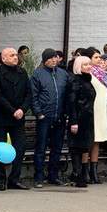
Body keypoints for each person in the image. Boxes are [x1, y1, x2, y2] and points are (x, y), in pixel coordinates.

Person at [0, 47, 31, 190]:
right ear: (3, 58)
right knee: (0, 148)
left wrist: (22, 109)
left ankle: (14, 179)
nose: (15, 57)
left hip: (18, 118)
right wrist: (13, 110)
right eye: (11, 55)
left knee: (20, 147)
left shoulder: (22, 73)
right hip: (1, 117)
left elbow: (28, 94)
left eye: (15, 55)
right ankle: (0, 179)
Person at [31, 48, 70, 187]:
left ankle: (54, 175)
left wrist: (66, 111)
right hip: (44, 116)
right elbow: (33, 96)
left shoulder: (63, 74)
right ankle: (39, 176)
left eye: (55, 58)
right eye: (51, 58)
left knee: (56, 148)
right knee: (41, 148)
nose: (54, 60)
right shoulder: (38, 74)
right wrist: (38, 113)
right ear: (45, 60)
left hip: (59, 116)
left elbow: (67, 94)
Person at [67, 55, 95, 188]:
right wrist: (73, 121)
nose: (89, 67)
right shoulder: (75, 81)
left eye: (90, 64)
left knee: (83, 146)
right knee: (76, 147)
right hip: (78, 118)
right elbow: (72, 102)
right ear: (79, 66)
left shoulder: (87, 80)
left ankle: (76, 174)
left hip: (87, 118)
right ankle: (77, 174)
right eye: (85, 65)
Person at [85, 47, 107, 184]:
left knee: (97, 140)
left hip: (101, 110)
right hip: (91, 109)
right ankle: (85, 171)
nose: (99, 60)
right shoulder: (88, 73)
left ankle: (94, 171)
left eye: (100, 57)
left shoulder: (103, 73)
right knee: (87, 141)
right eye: (96, 57)